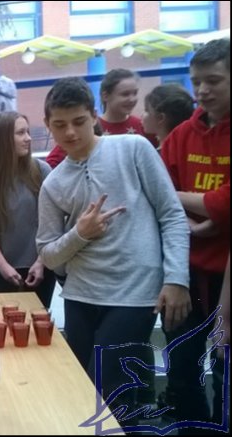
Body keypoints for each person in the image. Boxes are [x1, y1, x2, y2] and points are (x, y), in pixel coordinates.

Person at [36, 77, 190, 425]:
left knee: (106, 393)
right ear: (47, 125)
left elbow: (171, 214)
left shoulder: (134, 149)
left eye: (78, 121)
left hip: (134, 293)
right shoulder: (53, 184)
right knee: (85, 394)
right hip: (80, 296)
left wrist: (176, 278)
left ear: (94, 116)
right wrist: (80, 233)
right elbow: (47, 253)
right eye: (60, 125)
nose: (70, 132)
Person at [159, 37, 230, 431]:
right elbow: (157, 192)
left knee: (224, 369)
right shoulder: (182, 136)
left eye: (213, 81)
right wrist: (206, 212)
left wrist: (202, 206)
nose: (202, 90)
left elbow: (225, 200)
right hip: (185, 271)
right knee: (182, 366)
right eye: (197, 81)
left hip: (226, 276)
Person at [0, 112, 55, 308]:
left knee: (37, 322)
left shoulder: (42, 171)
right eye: (21, 133)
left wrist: (41, 262)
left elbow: (53, 222)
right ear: (3, 140)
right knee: (3, 323)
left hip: (39, 267)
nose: (28, 138)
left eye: (28, 132)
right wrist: (2, 265)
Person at [45, 68, 155, 167]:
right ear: (105, 95)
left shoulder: (142, 130)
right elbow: (55, 159)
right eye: (125, 94)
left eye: (135, 93)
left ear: (93, 116)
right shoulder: (87, 130)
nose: (131, 99)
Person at [142, 83, 195, 150]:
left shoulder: (161, 154)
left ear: (161, 118)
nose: (142, 115)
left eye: (146, 110)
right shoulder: (187, 148)